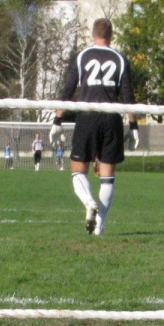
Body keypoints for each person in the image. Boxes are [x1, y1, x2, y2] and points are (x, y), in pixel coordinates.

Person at [51, 18, 136, 235]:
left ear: (92, 34)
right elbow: (128, 97)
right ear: (112, 34)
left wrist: (57, 120)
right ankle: (99, 226)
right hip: (111, 118)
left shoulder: (82, 56)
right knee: (107, 176)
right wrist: (134, 126)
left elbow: (67, 91)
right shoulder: (120, 59)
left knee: (78, 170)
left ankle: (89, 202)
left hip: (87, 116)